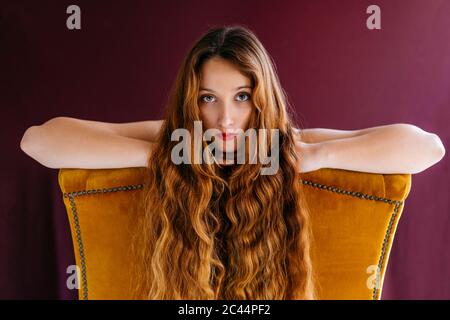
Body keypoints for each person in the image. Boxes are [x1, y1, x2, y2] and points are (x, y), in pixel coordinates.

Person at [20, 25, 446, 300]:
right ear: (192, 102)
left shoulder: (288, 144)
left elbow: (428, 148)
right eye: (209, 98)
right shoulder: (173, 138)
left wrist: (317, 155)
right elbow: (39, 141)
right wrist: (161, 154)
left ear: (262, 100)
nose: (225, 120)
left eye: (241, 97)